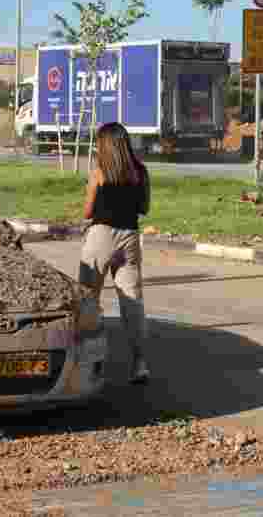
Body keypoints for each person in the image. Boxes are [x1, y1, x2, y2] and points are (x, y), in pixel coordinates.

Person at [79, 122, 152, 384]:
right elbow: (144, 208)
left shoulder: (99, 173)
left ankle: (85, 362)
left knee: (87, 300)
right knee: (132, 302)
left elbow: (87, 212)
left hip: (101, 236)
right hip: (129, 238)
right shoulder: (141, 173)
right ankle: (139, 363)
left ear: (105, 145)